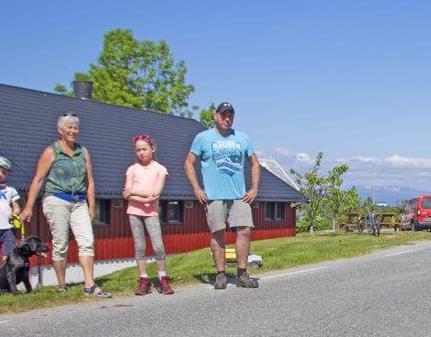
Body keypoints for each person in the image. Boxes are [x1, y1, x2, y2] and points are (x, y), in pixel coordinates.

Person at [19, 112, 111, 297]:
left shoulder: (83, 152)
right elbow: (38, 179)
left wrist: (92, 207)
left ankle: (89, 284)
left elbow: (90, 181)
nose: (73, 131)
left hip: (79, 201)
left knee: (86, 241)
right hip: (56, 200)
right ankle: (62, 284)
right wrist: (28, 206)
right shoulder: (51, 152)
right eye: (69, 127)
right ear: (60, 129)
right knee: (60, 243)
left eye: (75, 127)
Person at [184, 101, 260, 289]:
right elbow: (188, 163)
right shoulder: (203, 138)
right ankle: (220, 274)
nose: (227, 119)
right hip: (214, 195)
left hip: (238, 195)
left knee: (244, 231)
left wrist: (254, 188)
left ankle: (242, 274)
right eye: (224, 115)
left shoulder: (242, 138)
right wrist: (197, 189)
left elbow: (255, 163)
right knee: (218, 233)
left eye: (230, 115)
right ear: (215, 116)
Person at [123, 134, 173, 295]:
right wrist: (143, 197)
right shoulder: (132, 169)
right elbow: (125, 194)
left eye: (144, 149)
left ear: (152, 149)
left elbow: (155, 193)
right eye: (138, 150)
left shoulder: (160, 169)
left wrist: (134, 193)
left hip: (151, 212)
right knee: (140, 247)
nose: (141, 153)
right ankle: (143, 279)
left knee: (158, 246)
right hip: (134, 212)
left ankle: (163, 279)